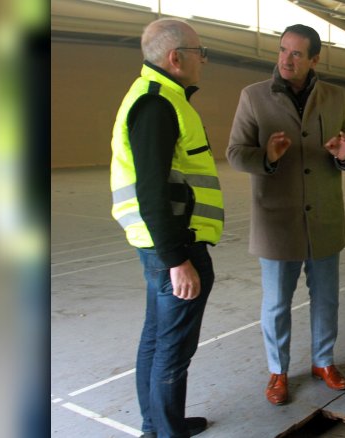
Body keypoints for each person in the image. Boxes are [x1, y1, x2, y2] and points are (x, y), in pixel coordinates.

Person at [226, 24, 345, 406]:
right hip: (277, 221)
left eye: (297, 54)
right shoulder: (253, 97)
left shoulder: (336, 97)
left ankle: (324, 362)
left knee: (327, 299)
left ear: (315, 59)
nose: (286, 59)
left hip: (324, 218)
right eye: (283, 50)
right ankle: (278, 370)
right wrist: (267, 157)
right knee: (276, 303)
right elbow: (236, 152)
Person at [109, 18, 223, 438]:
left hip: (163, 246)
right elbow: (152, 190)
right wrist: (177, 260)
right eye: (200, 54)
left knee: (157, 341)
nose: (203, 61)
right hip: (175, 248)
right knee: (172, 351)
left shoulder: (159, 98)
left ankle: (158, 425)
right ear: (176, 58)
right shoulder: (157, 104)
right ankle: (165, 430)